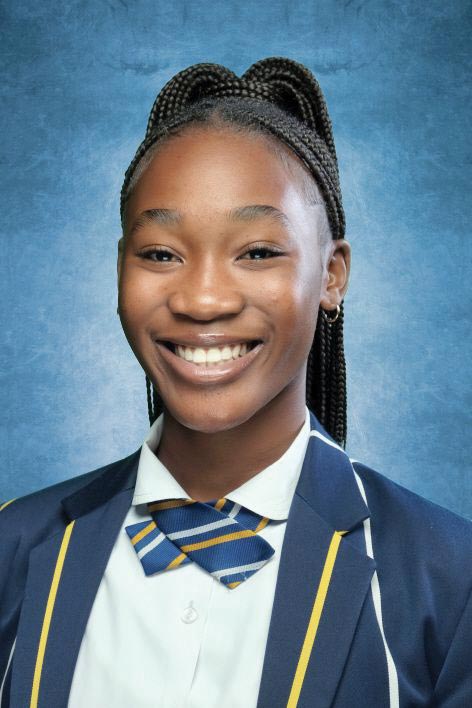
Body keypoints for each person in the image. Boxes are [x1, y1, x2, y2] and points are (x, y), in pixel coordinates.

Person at [0, 57, 471, 708]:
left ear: (332, 275)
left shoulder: (449, 578)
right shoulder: (14, 549)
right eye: (160, 253)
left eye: (257, 252)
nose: (202, 299)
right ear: (119, 267)